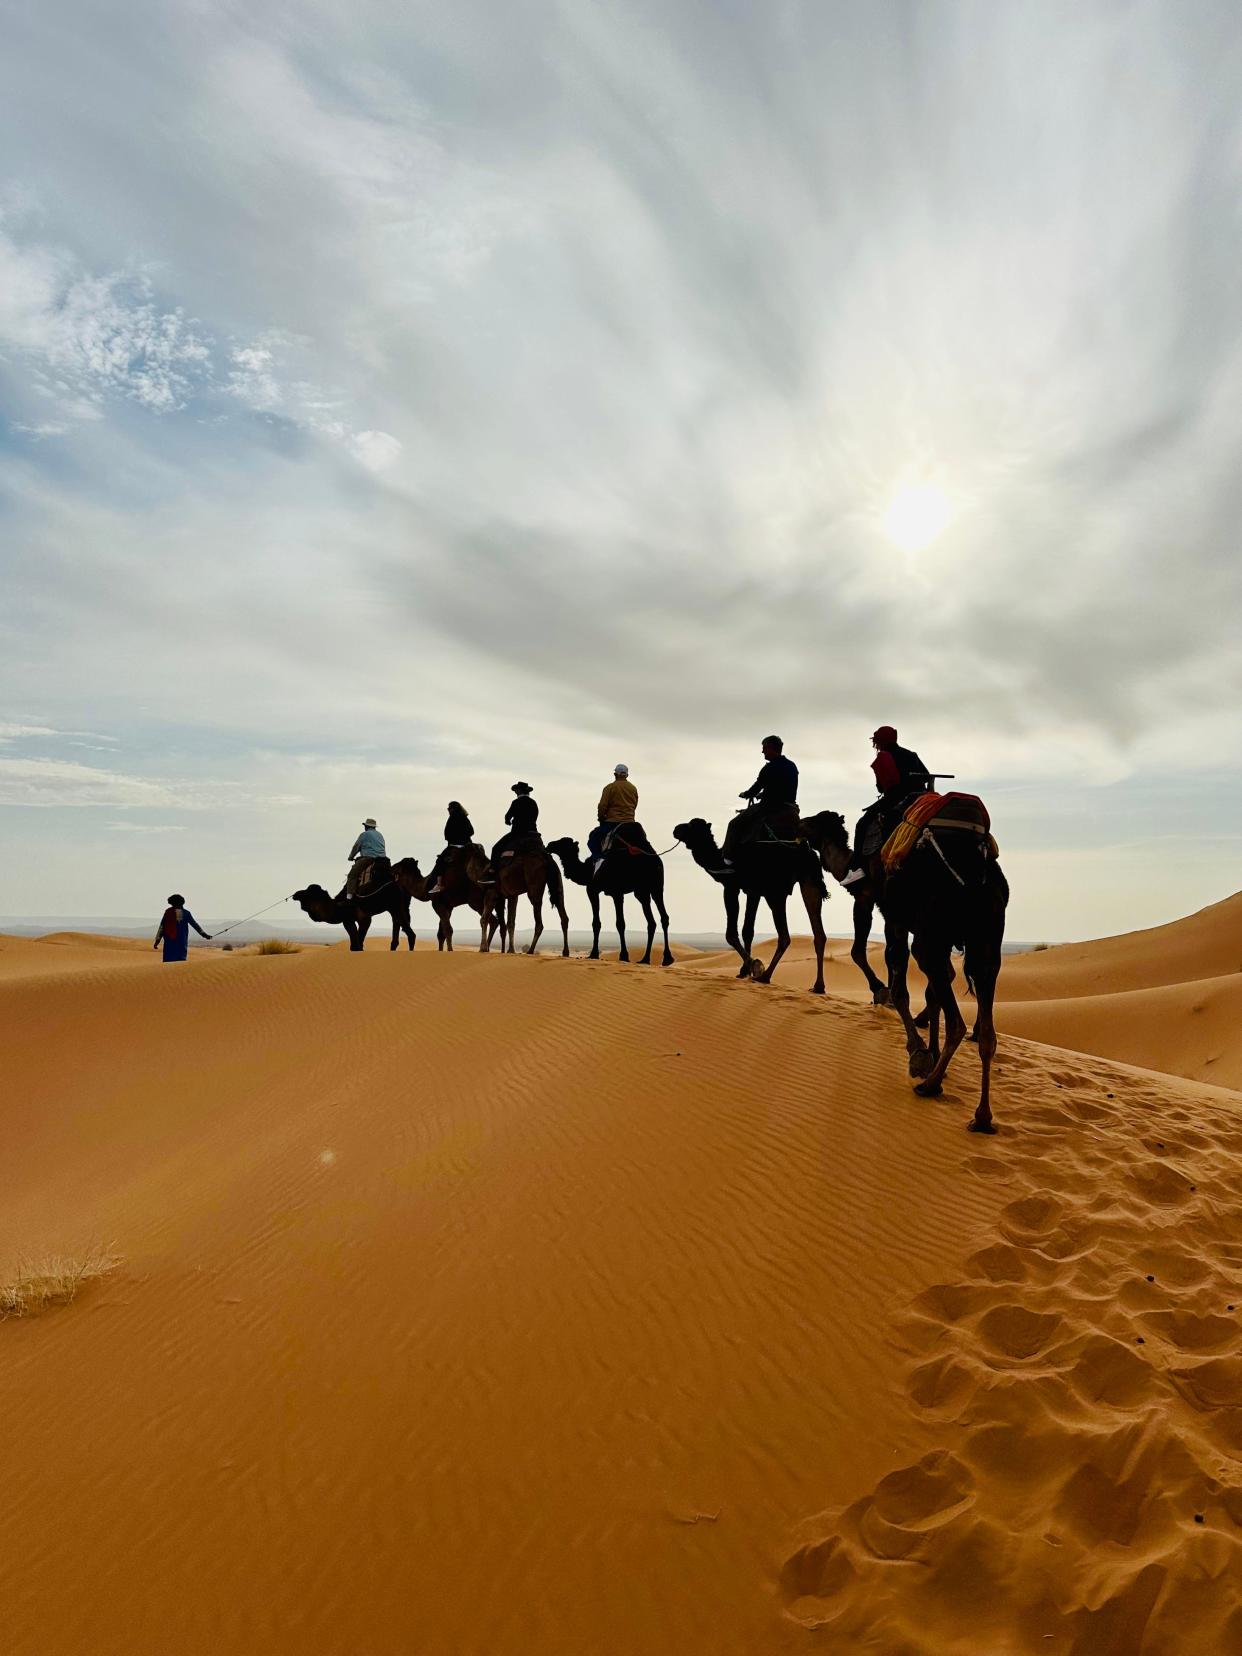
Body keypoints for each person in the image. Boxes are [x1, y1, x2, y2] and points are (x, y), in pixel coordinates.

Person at [842, 726, 932, 887]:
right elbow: (926, 776)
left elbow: (882, 788)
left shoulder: (883, 757)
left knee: (861, 825)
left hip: (896, 800)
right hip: (920, 799)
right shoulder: (912, 755)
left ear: (880, 742)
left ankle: (857, 869)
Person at [721, 735, 800, 860]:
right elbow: (782, 787)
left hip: (769, 807)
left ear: (770, 748)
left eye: (764, 748)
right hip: (790, 807)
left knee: (734, 825)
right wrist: (763, 794)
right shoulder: (791, 766)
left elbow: (757, 786)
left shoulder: (769, 768)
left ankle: (727, 859)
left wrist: (747, 794)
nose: (762, 751)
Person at [588, 763, 639, 866]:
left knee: (593, 839)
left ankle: (598, 860)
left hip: (612, 822)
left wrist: (601, 817)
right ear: (627, 775)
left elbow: (602, 806)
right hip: (630, 822)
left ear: (615, 774)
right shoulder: (633, 788)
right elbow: (634, 805)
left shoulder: (610, 788)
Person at [426, 802, 476, 896]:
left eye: (449, 808)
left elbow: (448, 834)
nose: (448, 810)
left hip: (455, 845)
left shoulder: (452, 818)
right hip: (467, 845)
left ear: (453, 809)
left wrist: (455, 837)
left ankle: (439, 884)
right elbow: (471, 831)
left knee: (440, 861)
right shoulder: (464, 817)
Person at [491, 782, 540, 865]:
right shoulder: (533, 802)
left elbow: (508, 816)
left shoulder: (516, 802)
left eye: (516, 790)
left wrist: (508, 822)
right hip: (533, 832)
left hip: (518, 832)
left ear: (518, 791)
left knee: (496, 848)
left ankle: (492, 870)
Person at [153, 894, 211, 962]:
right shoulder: (185, 913)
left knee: (169, 961)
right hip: (181, 941)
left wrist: (157, 940)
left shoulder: (168, 912)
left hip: (170, 942)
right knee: (180, 961)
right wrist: (204, 935)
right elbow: (195, 925)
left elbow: (162, 927)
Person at [346, 817, 387, 896]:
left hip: (368, 859)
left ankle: (350, 896)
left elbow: (356, 847)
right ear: (374, 827)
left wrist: (351, 857)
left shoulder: (364, 834)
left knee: (352, 875)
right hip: (383, 859)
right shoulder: (380, 835)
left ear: (366, 826)